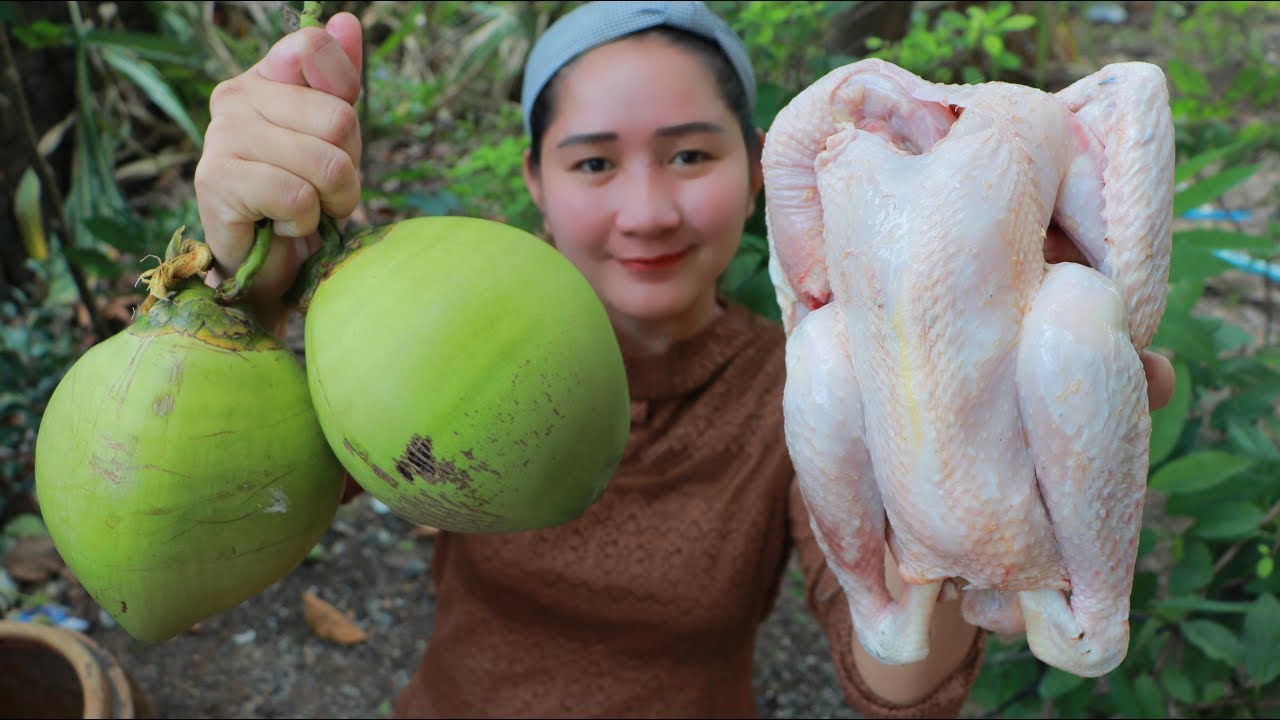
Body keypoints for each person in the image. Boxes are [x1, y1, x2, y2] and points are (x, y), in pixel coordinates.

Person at [193, 2, 1178, 717]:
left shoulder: (804, 381)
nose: (647, 209)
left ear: (759, 171)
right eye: (591, 162)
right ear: (534, 181)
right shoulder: (435, 332)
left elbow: (890, 678)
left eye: (689, 155)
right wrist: (256, 288)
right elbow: (240, 509)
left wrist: (982, 505)